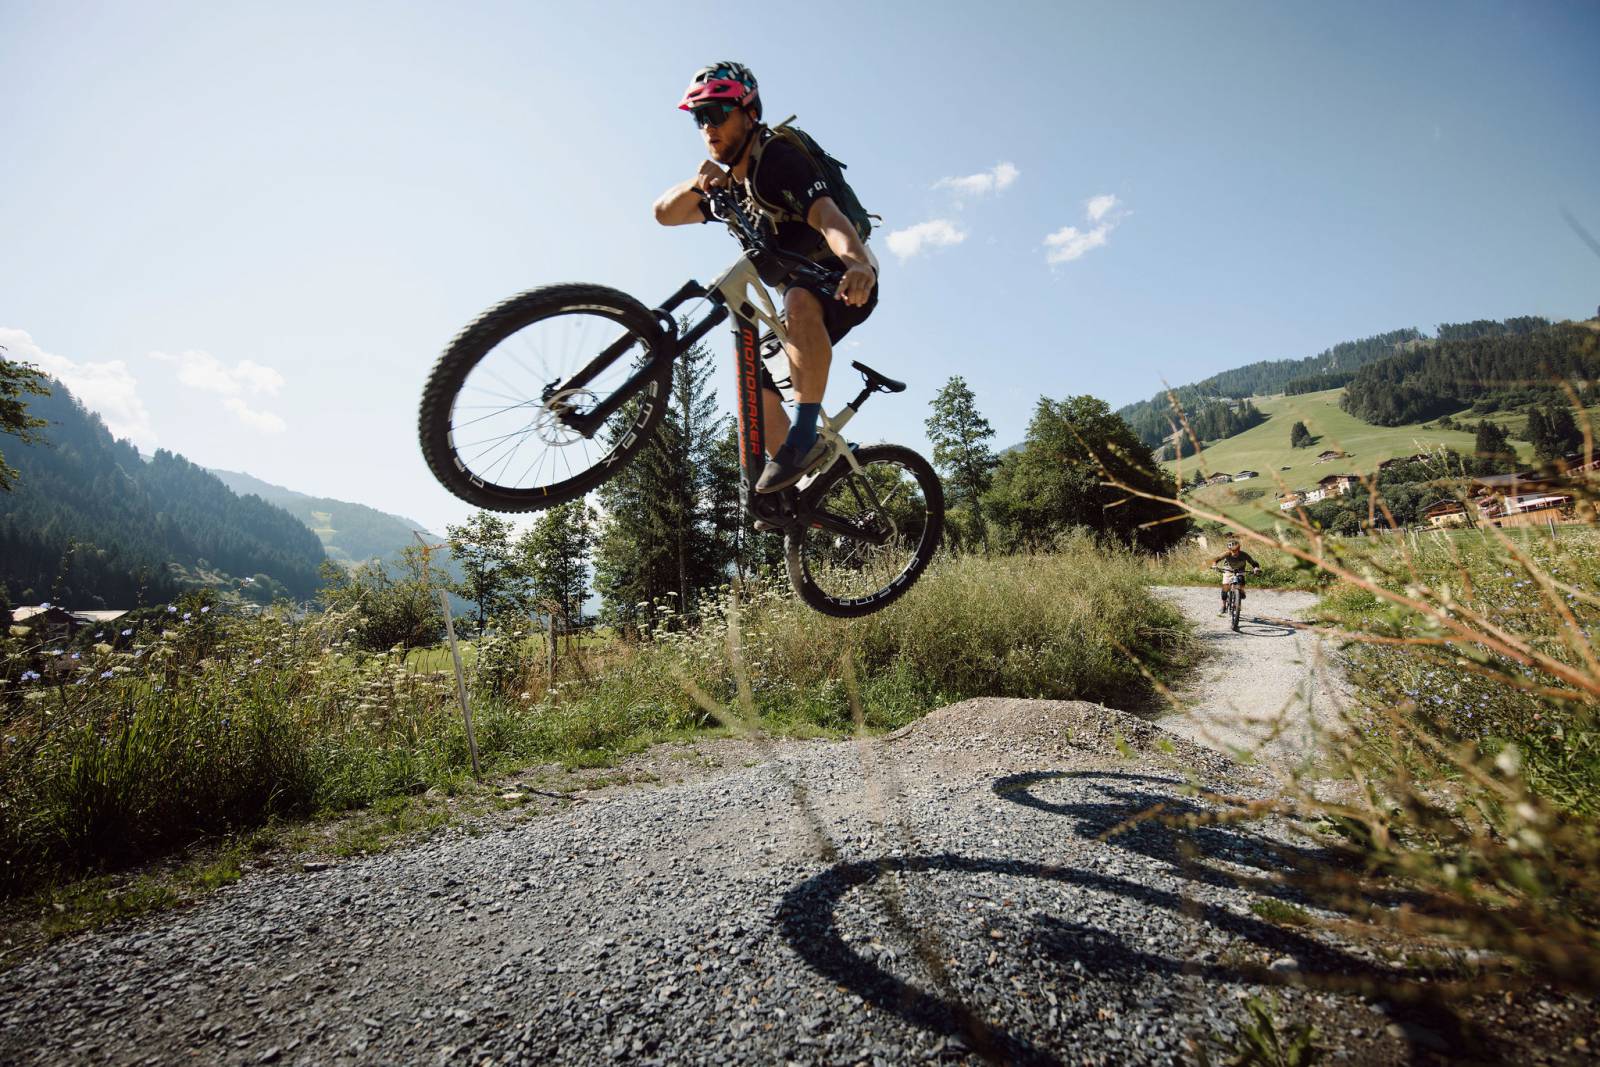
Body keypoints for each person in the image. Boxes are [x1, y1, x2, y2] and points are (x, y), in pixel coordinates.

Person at [652, 61, 879, 494]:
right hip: (797, 296)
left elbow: (828, 217)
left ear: (749, 112)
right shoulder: (726, 185)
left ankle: (803, 434)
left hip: (841, 281)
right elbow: (663, 215)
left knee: (797, 298)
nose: (707, 127)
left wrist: (858, 264)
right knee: (752, 390)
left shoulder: (778, 161)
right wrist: (697, 186)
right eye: (700, 118)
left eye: (717, 114)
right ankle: (798, 501)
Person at [1211, 539, 1261, 615]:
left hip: (1240, 570)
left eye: (1236, 550)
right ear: (1229, 550)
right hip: (1228, 570)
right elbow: (1216, 559)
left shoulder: (1244, 554)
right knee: (1225, 590)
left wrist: (1256, 568)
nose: (1234, 552)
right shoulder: (1226, 554)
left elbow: (1253, 562)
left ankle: (1240, 593)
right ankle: (1224, 606)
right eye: (1232, 550)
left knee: (1241, 580)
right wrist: (1214, 565)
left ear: (1239, 549)